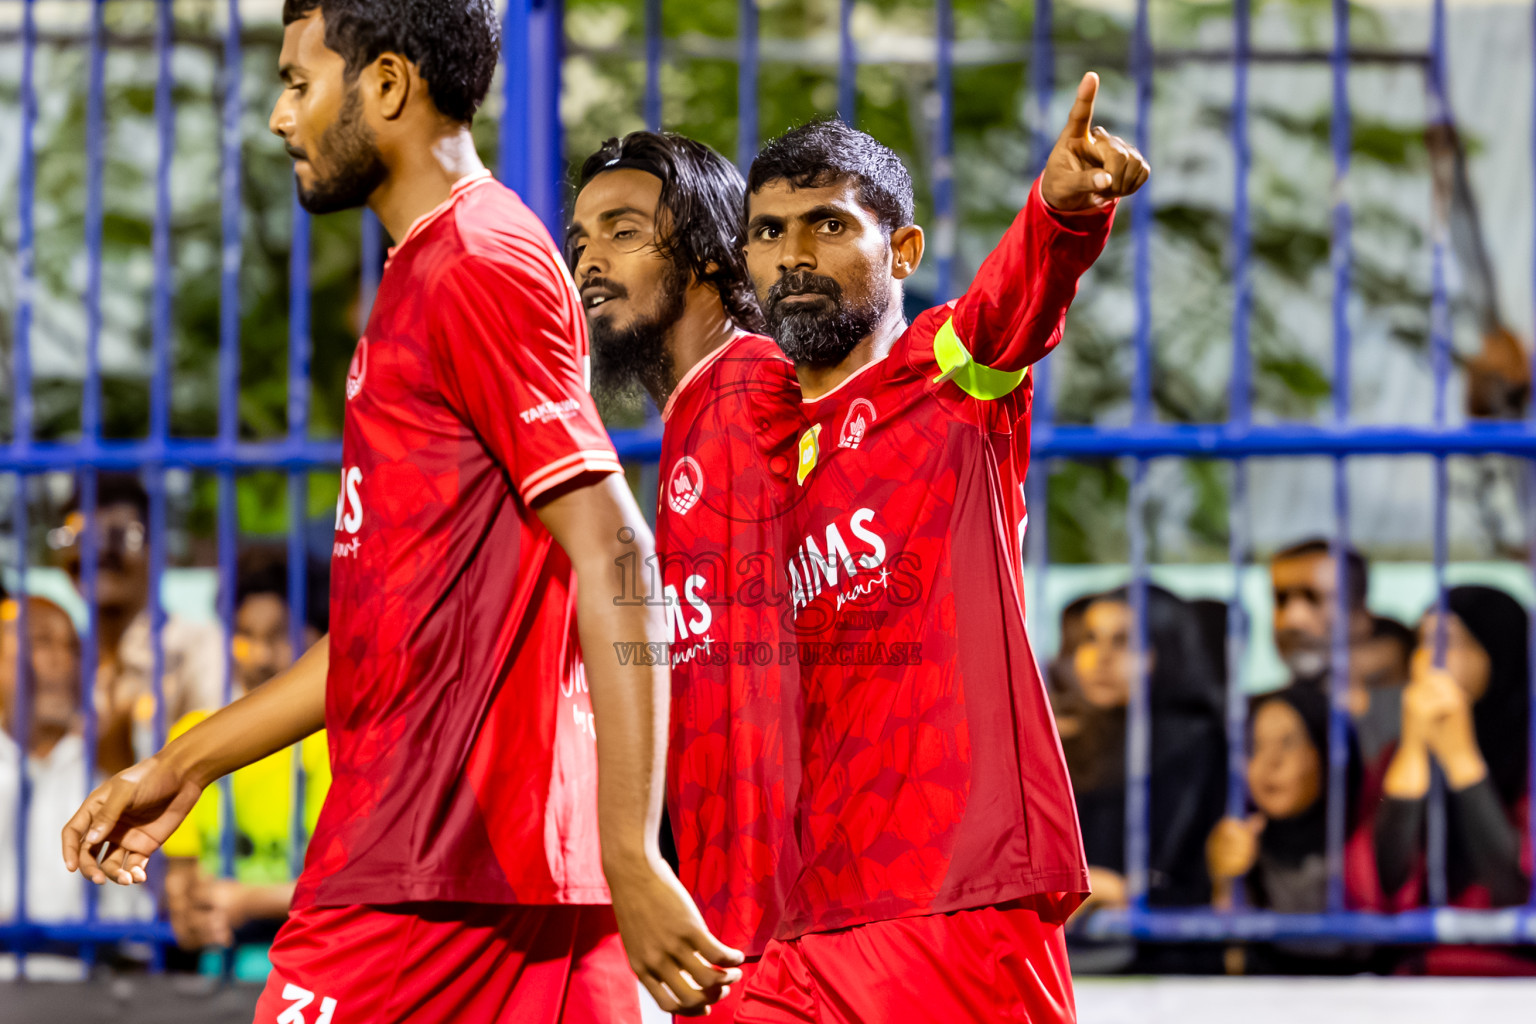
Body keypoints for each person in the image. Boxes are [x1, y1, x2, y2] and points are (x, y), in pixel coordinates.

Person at [60, 3, 741, 1021]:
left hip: (430, 877)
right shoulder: (431, 268)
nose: (283, 118)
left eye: (300, 82)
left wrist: (635, 853)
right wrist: (184, 762)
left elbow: (614, 549)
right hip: (475, 872)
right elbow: (385, 638)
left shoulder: (476, 264)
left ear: (385, 85)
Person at [735, 73, 1148, 1022]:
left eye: (829, 225)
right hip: (793, 920)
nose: (794, 254)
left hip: (952, 902)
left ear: (903, 248)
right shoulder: (744, 453)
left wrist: (1059, 214)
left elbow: (1017, 300)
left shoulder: (948, 373)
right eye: (768, 232)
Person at [569, 131, 802, 1022]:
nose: (589, 260)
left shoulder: (757, 389)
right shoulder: (697, 416)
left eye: (623, 231)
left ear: (711, 252)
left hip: (783, 933)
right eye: (582, 238)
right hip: (731, 924)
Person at [161, 549, 330, 982]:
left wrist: (247, 900)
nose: (258, 655)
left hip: (314, 972)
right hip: (216, 972)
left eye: (278, 635)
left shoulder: (336, 742)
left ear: (318, 638)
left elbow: (344, 881)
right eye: (243, 635)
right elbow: (180, 878)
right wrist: (188, 907)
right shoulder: (190, 736)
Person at [1373, 584, 1535, 975]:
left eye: (1451, 644)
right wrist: (1414, 750)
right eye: (1423, 644)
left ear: (1498, 652)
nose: (1431, 663)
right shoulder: (1393, 755)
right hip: (1418, 972)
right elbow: (1386, 878)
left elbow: (1512, 888)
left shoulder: (1527, 753)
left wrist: (1462, 758)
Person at [0, 596, 149, 976]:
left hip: (86, 988)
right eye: (42, 642)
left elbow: (136, 922)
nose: (62, 661)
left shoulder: (114, 774)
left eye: (73, 648)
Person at [50, 473, 226, 774]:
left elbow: (221, 759)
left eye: (119, 535)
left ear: (158, 551)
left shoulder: (197, 647)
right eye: (78, 538)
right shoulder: (62, 656)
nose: (98, 552)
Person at [1069, 587, 1227, 916]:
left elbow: (1179, 869)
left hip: (1168, 941)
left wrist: (1114, 889)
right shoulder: (1079, 738)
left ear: (1166, 648)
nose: (1101, 658)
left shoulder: (1196, 741)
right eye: (1089, 638)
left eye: (1123, 641)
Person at [1205, 685, 1376, 974]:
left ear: (1326, 753)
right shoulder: (1243, 844)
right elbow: (1233, 968)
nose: (1270, 763)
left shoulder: (1365, 842)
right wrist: (1226, 882)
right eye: (1255, 747)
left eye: (1288, 743)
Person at [1270, 538, 1403, 759]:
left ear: (1361, 614)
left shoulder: (1412, 713)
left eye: (1313, 597)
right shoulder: (1260, 715)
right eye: (1280, 599)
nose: (1292, 619)